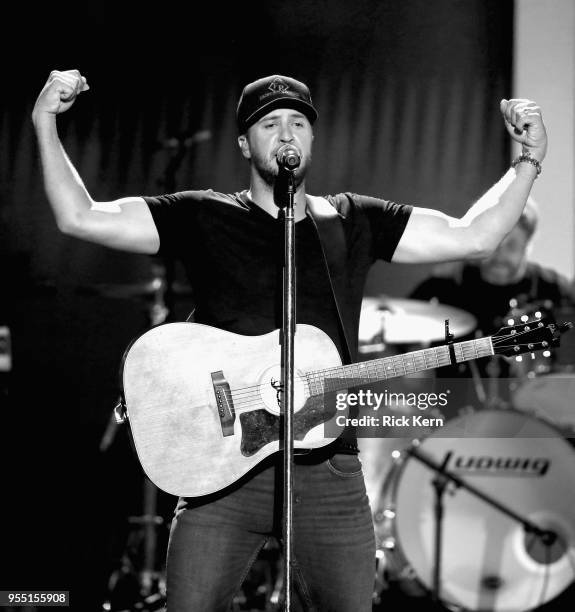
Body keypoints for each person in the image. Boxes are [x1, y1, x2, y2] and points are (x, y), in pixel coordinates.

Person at [32, 69, 548, 611]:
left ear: (312, 138)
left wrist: (528, 160)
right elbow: (79, 216)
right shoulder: (204, 214)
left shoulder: (353, 220)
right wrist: (45, 121)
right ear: (243, 142)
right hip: (222, 472)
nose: (286, 135)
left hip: (328, 466)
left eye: (298, 122)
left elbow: (475, 235)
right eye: (270, 123)